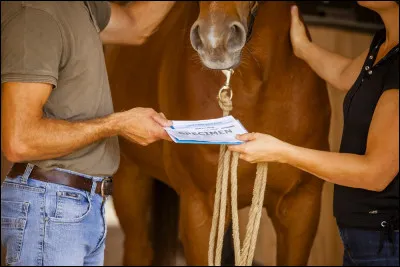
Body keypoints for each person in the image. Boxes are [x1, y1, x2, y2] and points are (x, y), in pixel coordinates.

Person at [1, 1, 175, 266]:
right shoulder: (35, 16)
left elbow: (135, 26)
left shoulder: (81, 5)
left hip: (78, 206)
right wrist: (115, 124)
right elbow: (20, 140)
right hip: (50, 206)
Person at [228, 1, 399, 266]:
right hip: (366, 238)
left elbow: (374, 173)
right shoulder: (384, 45)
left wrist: (282, 152)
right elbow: (345, 74)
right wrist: (303, 48)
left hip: (387, 242)